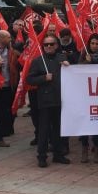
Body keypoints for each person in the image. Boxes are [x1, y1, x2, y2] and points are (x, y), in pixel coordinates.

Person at [27, 35, 71, 168]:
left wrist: (68, 66)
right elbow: (30, 79)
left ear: (56, 45)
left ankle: (58, 154)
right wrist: (43, 78)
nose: (49, 47)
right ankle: (42, 156)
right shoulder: (38, 61)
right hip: (45, 100)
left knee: (58, 129)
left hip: (60, 99)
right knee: (44, 130)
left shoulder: (62, 59)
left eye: (51, 44)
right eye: (46, 44)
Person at [78, 34, 98, 163]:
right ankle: (84, 150)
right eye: (92, 43)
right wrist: (86, 62)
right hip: (84, 94)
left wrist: (92, 62)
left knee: (97, 123)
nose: (94, 46)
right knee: (84, 123)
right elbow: (77, 69)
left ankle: (97, 151)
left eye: (97, 44)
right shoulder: (84, 54)